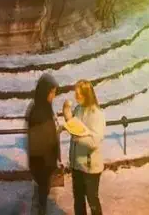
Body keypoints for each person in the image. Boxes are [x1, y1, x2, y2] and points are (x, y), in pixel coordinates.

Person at [60, 79, 105, 215]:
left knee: (92, 201)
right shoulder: (79, 109)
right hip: (77, 164)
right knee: (78, 200)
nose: (76, 97)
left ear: (87, 94)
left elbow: (95, 141)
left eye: (79, 94)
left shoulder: (96, 114)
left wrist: (77, 137)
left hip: (90, 167)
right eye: (75, 93)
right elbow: (74, 125)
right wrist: (66, 112)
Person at [23, 75, 61, 213]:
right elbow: (40, 139)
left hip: (43, 161)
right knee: (42, 198)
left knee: (41, 195)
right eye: (52, 93)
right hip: (42, 162)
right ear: (45, 92)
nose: (53, 96)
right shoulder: (40, 111)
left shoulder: (42, 107)